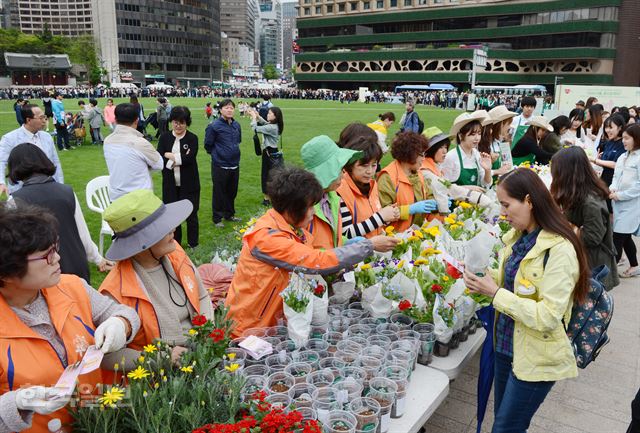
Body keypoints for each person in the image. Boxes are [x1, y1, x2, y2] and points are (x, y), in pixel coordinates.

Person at [464, 168, 590, 433]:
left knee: (505, 427)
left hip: (536, 358)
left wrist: (495, 294)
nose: (502, 212)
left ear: (530, 201)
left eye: (506, 204)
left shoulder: (560, 249)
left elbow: (547, 316)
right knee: (503, 420)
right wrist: (484, 281)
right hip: (505, 346)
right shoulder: (518, 238)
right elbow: (515, 285)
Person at [0, 203, 139, 432]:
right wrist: (14, 404)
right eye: (46, 256)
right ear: (7, 273)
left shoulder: (71, 286)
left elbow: (123, 313)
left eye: (55, 248)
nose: (57, 258)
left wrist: (120, 325)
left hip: (99, 422)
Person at [225, 166, 398, 337]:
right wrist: (369, 246)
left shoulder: (292, 228)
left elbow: (319, 254)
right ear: (292, 208)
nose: (313, 213)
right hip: (250, 329)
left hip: (274, 325)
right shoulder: (268, 238)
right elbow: (316, 261)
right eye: (310, 207)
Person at [99, 190, 214, 373]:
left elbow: (201, 296)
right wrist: (162, 358)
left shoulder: (175, 252)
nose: (173, 229)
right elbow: (107, 356)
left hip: (201, 352)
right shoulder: (113, 291)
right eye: (163, 228)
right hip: (160, 379)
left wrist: (207, 332)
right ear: (141, 243)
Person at [9, 143, 113, 283]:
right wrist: (97, 258)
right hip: (76, 265)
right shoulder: (67, 191)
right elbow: (83, 233)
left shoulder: (15, 201)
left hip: (43, 270)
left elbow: (13, 247)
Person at [550, 147, 620, 290]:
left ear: (568, 173)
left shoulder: (590, 201)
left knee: (589, 309)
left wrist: (567, 225)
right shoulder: (577, 194)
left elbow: (592, 237)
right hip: (584, 261)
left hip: (594, 267)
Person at [336, 123, 400, 239]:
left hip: (374, 252)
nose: (370, 171)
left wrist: (389, 215)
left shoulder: (371, 184)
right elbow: (345, 233)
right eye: (364, 166)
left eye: (374, 165)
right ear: (350, 165)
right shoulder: (340, 189)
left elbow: (373, 218)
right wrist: (381, 217)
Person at [301, 135, 362, 249]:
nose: (343, 175)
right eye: (338, 169)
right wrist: (340, 255)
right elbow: (303, 252)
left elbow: (332, 239)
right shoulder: (304, 205)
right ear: (326, 172)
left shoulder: (332, 197)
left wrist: (347, 243)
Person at [157, 106, 201, 248]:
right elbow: (159, 158)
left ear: (187, 122)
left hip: (190, 184)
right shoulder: (164, 137)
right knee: (173, 217)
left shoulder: (192, 138)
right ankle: (176, 245)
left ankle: (193, 244)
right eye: (175, 122)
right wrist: (177, 159)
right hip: (170, 184)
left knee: (191, 215)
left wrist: (170, 156)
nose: (178, 125)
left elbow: (189, 159)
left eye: (182, 122)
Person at [378, 132, 437, 232]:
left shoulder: (417, 173)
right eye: (421, 154)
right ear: (410, 154)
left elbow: (428, 194)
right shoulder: (388, 177)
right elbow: (383, 213)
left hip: (416, 234)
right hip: (394, 238)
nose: (423, 158)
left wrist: (436, 203)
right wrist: (409, 209)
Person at [103, 103, 163, 200]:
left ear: (116, 120)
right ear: (136, 121)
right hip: (139, 200)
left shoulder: (107, 141)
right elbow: (159, 165)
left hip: (115, 198)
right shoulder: (140, 143)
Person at [0, 104, 64, 195]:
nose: (44, 121)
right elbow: (1, 162)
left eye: (44, 117)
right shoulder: (9, 139)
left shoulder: (46, 137)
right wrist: (1, 182)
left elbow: (55, 161)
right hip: (21, 192)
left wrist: (60, 184)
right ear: (28, 120)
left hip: (47, 187)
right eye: (41, 118)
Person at [204, 99, 242, 227]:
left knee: (232, 191)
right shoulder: (214, 126)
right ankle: (217, 218)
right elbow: (208, 145)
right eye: (227, 108)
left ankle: (229, 214)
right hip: (220, 164)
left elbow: (238, 141)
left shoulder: (236, 125)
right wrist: (218, 155)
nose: (230, 110)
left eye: (232, 108)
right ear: (220, 110)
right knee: (219, 192)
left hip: (235, 163)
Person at [610, 124, 640, 278]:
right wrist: (613, 188)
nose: (624, 141)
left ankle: (608, 274)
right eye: (623, 138)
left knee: (617, 239)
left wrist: (621, 195)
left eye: (627, 138)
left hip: (632, 206)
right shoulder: (623, 156)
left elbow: (638, 186)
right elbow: (616, 177)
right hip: (618, 203)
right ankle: (634, 266)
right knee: (626, 237)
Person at [441, 111, 493, 190]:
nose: (477, 138)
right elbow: (443, 186)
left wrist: (488, 170)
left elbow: (485, 183)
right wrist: (467, 188)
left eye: (479, 133)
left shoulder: (476, 154)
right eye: (473, 134)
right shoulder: (451, 157)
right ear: (461, 136)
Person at [249, 105, 284, 206]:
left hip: (268, 153)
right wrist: (258, 116)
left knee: (266, 175)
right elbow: (265, 123)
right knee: (273, 176)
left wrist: (254, 118)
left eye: (269, 113)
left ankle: (267, 199)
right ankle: (273, 197)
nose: (268, 114)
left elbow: (255, 128)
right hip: (273, 151)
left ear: (275, 116)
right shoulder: (275, 125)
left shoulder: (272, 127)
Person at [482, 106, 516, 178]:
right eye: (508, 124)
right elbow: (479, 172)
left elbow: (508, 164)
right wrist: (494, 167)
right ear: (501, 124)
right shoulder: (484, 144)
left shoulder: (501, 142)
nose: (510, 127)